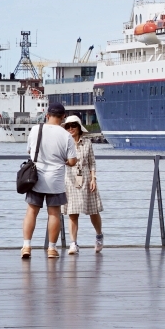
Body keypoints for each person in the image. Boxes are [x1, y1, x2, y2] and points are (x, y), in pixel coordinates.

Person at [21, 103, 77, 259]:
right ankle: (52, 249)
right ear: (63, 117)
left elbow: (30, 151)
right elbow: (72, 161)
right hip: (56, 179)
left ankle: (26, 246)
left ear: (47, 115)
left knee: (31, 211)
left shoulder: (35, 129)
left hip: (35, 177)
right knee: (54, 213)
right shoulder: (66, 135)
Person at [63, 115, 104, 255]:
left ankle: (99, 236)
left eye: (73, 126)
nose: (70, 129)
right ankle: (73, 243)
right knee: (72, 213)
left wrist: (93, 179)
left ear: (79, 127)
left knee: (93, 211)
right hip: (70, 178)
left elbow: (92, 162)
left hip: (86, 177)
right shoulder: (63, 142)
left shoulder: (87, 143)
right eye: (67, 126)